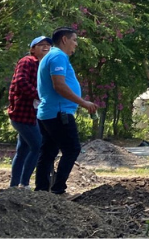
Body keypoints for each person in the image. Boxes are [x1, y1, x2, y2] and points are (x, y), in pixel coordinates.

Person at [35, 27, 97, 195]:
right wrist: (83, 102)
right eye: (74, 40)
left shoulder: (51, 56)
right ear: (64, 39)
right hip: (58, 113)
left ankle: (41, 190)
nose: (75, 44)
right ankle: (58, 189)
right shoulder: (58, 56)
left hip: (48, 113)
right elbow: (59, 85)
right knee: (72, 149)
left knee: (48, 151)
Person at [7, 36, 52, 188]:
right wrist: (40, 96)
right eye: (41, 45)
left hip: (33, 115)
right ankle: (24, 184)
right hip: (22, 114)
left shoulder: (44, 65)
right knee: (37, 145)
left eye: (48, 45)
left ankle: (14, 186)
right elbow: (21, 82)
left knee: (23, 150)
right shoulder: (27, 61)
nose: (46, 47)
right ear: (33, 49)